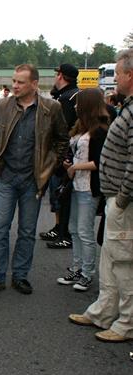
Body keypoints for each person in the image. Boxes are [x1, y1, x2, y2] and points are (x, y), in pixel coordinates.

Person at [0, 64, 69, 295]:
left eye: (20, 82)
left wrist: (51, 166)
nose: (15, 86)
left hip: (33, 180)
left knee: (27, 231)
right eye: (14, 81)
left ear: (34, 84)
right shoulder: (1, 106)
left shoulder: (51, 108)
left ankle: (20, 276)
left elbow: (62, 139)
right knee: (0, 228)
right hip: (5, 178)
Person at [69, 48, 133, 342]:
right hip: (114, 198)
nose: (115, 79)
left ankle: (126, 323)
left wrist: (121, 198)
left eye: (118, 73)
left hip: (123, 201)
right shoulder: (128, 107)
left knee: (123, 262)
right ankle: (104, 312)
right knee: (110, 259)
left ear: (129, 75)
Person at [56, 88, 109, 291]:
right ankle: (77, 268)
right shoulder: (81, 127)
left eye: (79, 103)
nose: (75, 106)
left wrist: (75, 167)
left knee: (84, 231)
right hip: (76, 185)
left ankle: (87, 273)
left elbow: (99, 162)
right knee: (74, 229)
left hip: (88, 187)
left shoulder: (100, 131)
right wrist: (69, 164)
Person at [41, 64, 80, 249]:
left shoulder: (65, 98)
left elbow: (61, 128)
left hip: (63, 152)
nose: (55, 77)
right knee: (60, 194)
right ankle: (59, 228)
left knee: (60, 194)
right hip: (72, 150)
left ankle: (64, 232)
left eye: (57, 74)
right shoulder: (75, 94)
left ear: (61, 76)